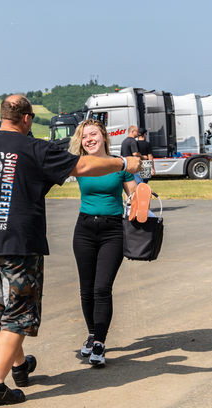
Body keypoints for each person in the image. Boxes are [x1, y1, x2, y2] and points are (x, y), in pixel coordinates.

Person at [0, 95, 140, 407]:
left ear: (2, 116)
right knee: (20, 313)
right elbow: (83, 164)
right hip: (18, 242)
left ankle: (20, 367)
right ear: (27, 119)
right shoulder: (34, 147)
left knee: (3, 306)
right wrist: (123, 163)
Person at [69, 119, 138, 367]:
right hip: (84, 229)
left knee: (102, 289)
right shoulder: (80, 164)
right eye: (84, 135)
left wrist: (142, 197)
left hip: (112, 231)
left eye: (93, 134)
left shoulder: (120, 165)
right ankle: (91, 334)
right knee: (86, 290)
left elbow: (134, 196)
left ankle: (99, 343)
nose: (89, 139)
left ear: (104, 137)